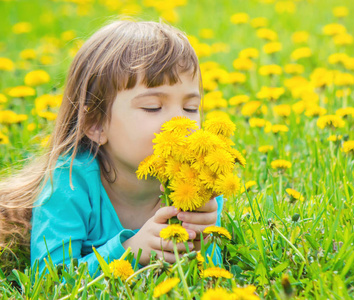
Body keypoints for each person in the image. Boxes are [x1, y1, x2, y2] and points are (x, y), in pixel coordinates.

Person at [0, 19, 223, 276]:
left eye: (190, 108)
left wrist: (202, 241)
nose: (180, 122)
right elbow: (51, 278)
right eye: (153, 107)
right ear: (95, 124)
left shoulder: (197, 183)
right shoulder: (69, 183)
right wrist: (129, 252)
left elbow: (208, 277)